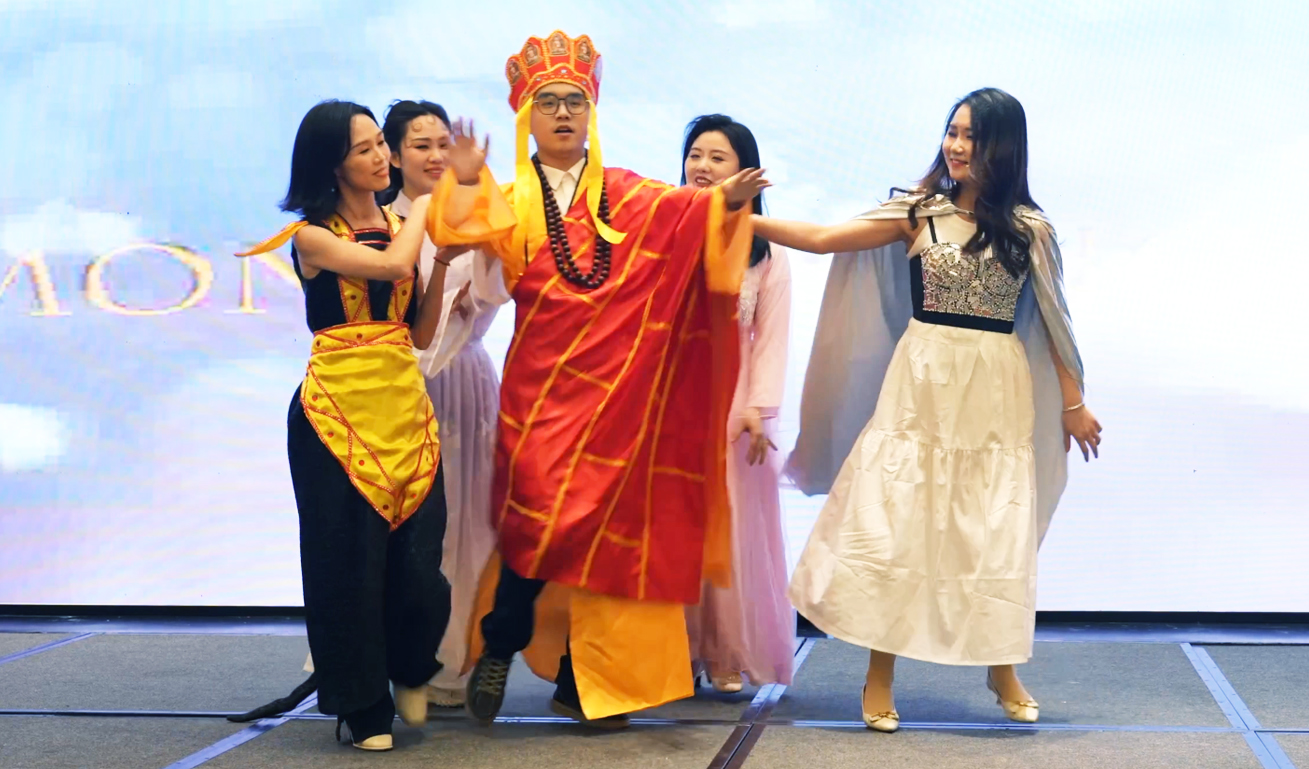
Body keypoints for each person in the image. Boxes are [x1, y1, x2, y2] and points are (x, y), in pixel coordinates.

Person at [422, 30, 769, 727]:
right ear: (527, 117)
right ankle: (502, 640)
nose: (562, 113)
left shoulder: (632, 194)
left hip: (622, 393)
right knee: (536, 524)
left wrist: (724, 203)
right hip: (541, 390)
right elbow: (472, 256)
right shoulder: (512, 198)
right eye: (548, 102)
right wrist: (467, 182)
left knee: (608, 541)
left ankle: (587, 684)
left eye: (574, 101)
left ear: (592, 113)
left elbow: (694, 224)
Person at [757, 88, 1102, 732]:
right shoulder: (919, 214)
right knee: (898, 520)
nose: (957, 145)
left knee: (992, 529)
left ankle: (1002, 669)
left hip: (994, 386)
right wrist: (743, 218)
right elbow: (825, 239)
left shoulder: (1031, 230)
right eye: (953, 131)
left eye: (972, 135)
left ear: (1004, 146)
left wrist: (1074, 403)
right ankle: (879, 674)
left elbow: (1056, 321)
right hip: (922, 380)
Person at [233, 99, 457, 751]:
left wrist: (443, 261)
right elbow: (389, 268)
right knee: (346, 567)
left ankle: (410, 669)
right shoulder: (312, 237)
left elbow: (418, 331)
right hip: (335, 415)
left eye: (380, 144)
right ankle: (363, 708)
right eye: (365, 149)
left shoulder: (402, 226)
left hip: (405, 408)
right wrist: (430, 209)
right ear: (333, 165)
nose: (381, 156)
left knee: (420, 566)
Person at [382, 99, 502, 710]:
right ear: (392, 154)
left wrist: (477, 191)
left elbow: (499, 288)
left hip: (464, 380)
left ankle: (455, 662)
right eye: (420, 144)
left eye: (442, 145)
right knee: (406, 525)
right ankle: (398, 658)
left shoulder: (475, 214)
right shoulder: (379, 222)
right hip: (395, 387)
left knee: (467, 519)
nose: (434, 156)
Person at [680, 115, 794, 693]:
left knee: (727, 533)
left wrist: (758, 409)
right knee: (675, 528)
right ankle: (674, 652)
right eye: (695, 154)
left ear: (746, 172)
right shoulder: (665, 233)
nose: (702, 167)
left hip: (733, 401)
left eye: (717, 157)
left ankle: (723, 650)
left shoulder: (766, 253)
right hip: (672, 399)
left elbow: (771, 339)